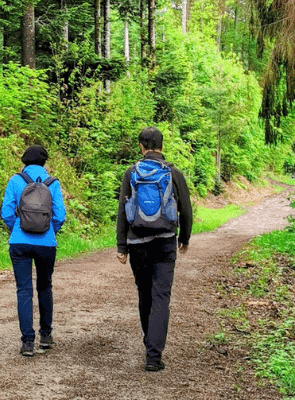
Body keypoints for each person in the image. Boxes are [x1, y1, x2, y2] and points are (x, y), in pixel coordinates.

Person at [116, 126, 193, 372]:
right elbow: (186, 209)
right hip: (165, 241)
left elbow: (122, 211)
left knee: (144, 294)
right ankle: (153, 355)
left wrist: (122, 245)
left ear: (141, 147)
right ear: (161, 145)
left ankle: (149, 340)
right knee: (161, 296)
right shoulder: (173, 172)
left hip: (137, 242)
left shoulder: (131, 172)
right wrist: (185, 238)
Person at [1, 145, 66, 357]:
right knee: (45, 286)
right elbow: (59, 216)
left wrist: (17, 229)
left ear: (24, 161)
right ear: (44, 162)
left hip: (19, 242)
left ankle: (27, 342)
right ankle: (46, 336)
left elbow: (6, 213)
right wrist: (48, 231)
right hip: (46, 243)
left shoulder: (15, 181)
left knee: (24, 290)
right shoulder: (52, 183)